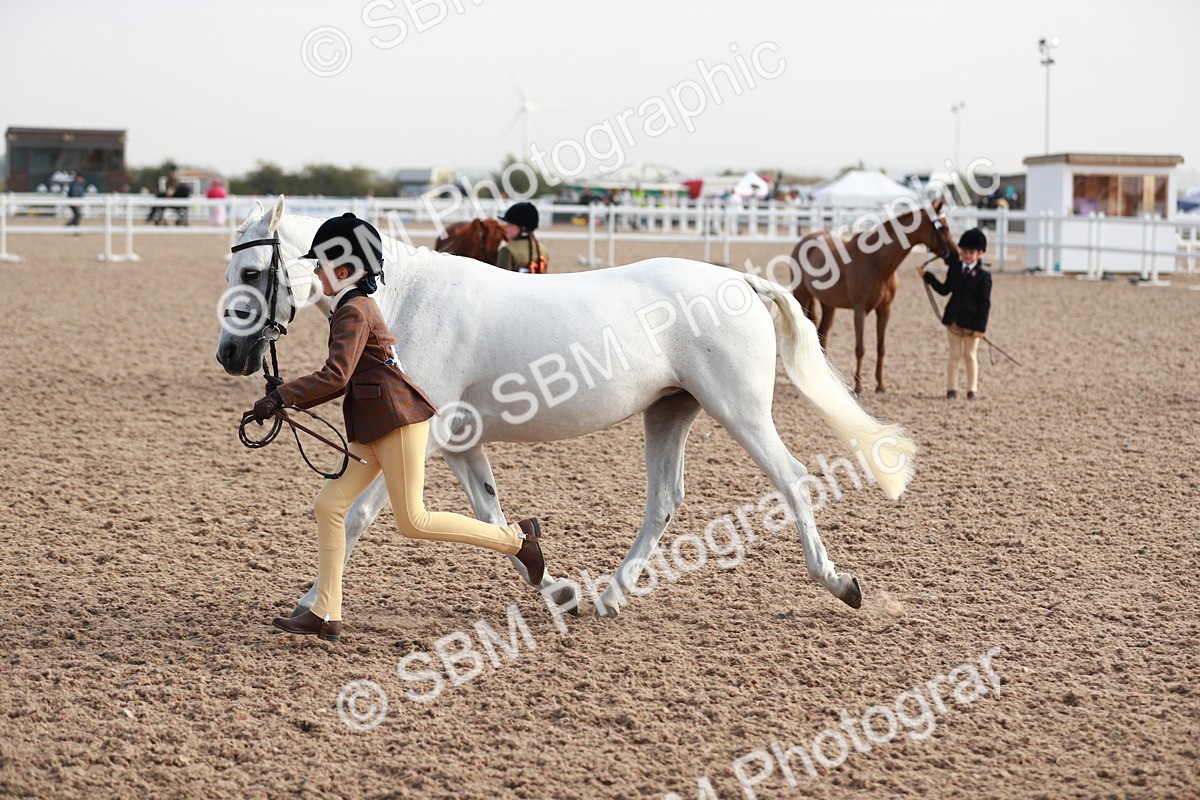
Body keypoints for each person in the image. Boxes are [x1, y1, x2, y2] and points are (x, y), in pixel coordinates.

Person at [247, 213, 547, 643]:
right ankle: (325, 611)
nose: (314, 271)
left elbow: (336, 376)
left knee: (414, 520)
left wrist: (282, 397)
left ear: (346, 270)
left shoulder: (354, 311)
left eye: (321, 264)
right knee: (330, 506)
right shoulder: (352, 306)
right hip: (377, 424)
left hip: (399, 424)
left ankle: (517, 541)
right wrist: (283, 395)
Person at [919, 228, 992, 400]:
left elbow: (985, 304)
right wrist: (928, 277)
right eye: (965, 252)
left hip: (972, 322)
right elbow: (945, 290)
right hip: (953, 319)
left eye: (972, 252)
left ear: (980, 253)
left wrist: (981, 327)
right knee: (954, 354)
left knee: (970, 355)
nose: (968, 255)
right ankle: (951, 389)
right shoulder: (955, 268)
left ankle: (971, 389)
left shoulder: (984, 277)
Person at [496, 201, 548, 273]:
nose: (506, 227)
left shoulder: (507, 250)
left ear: (522, 227)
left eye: (510, 224)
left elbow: (501, 281)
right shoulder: (543, 250)